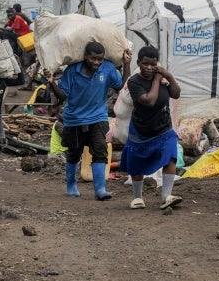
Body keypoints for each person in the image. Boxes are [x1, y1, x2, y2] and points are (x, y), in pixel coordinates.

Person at [49, 42, 132, 200]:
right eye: (93, 58)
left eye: (99, 59)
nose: (96, 62)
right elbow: (63, 95)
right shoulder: (72, 70)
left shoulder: (107, 68)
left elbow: (121, 86)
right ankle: (71, 185)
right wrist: (51, 82)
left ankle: (100, 189)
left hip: (98, 117)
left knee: (100, 151)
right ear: (85, 56)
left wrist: (127, 64)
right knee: (74, 153)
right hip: (74, 119)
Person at [120, 46, 182, 210]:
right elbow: (149, 101)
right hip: (141, 129)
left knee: (170, 156)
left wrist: (169, 76)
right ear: (138, 63)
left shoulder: (163, 78)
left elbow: (176, 94)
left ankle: (166, 196)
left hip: (163, 127)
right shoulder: (134, 82)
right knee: (136, 162)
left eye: (153, 64)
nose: (149, 67)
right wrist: (157, 80)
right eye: (145, 64)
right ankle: (137, 197)